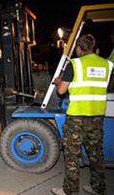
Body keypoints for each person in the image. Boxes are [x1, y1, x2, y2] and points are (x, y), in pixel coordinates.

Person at [51, 34, 113, 195]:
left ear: (79, 48)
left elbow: (61, 90)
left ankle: (70, 191)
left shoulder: (75, 64)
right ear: (93, 48)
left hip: (77, 117)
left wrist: (60, 81)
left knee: (72, 155)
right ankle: (98, 188)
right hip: (97, 116)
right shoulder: (106, 64)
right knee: (95, 154)